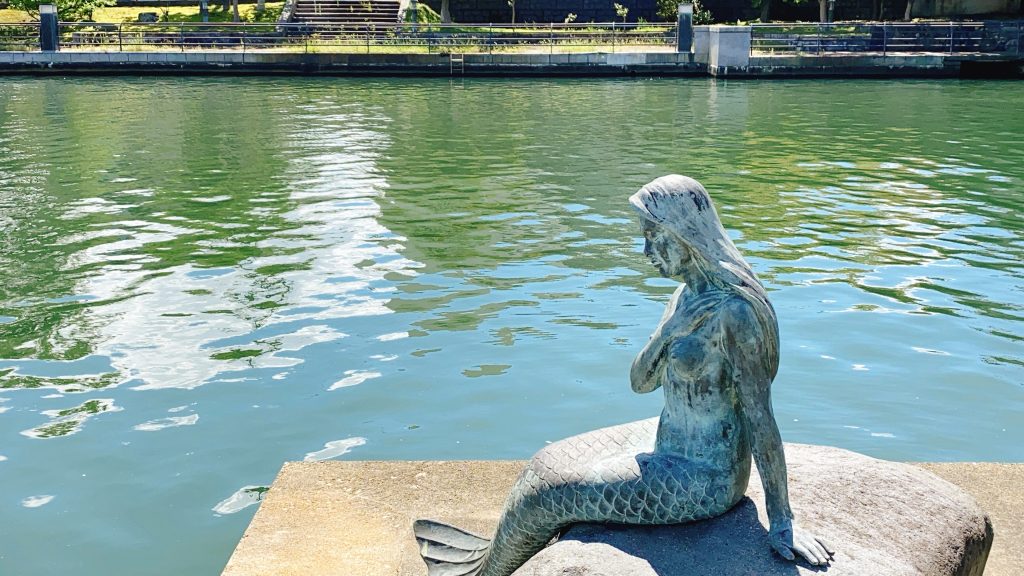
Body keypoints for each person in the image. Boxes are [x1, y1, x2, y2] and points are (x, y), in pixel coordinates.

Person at [415, 175, 834, 576]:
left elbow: (760, 418)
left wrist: (783, 519)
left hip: (703, 478)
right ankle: (487, 562)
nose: (646, 249)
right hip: (664, 438)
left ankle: (482, 573)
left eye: (654, 236)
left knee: (549, 494)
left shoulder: (737, 314)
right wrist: (671, 331)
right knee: (544, 462)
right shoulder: (684, 297)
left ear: (686, 236)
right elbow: (640, 382)